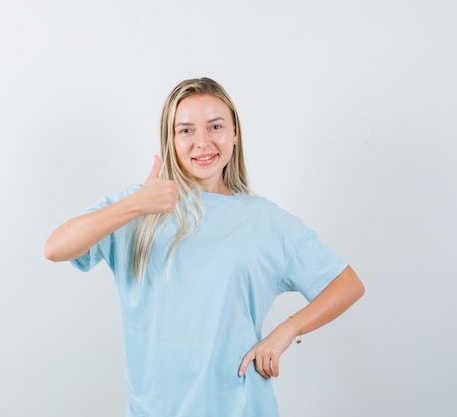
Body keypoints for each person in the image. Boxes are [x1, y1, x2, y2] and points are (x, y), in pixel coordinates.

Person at [44, 77, 365, 417]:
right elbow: (55, 247)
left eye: (215, 126)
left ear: (235, 132)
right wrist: (137, 204)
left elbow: (347, 284)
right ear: (170, 138)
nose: (203, 142)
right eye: (186, 130)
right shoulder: (135, 208)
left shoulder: (267, 222)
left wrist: (288, 330)